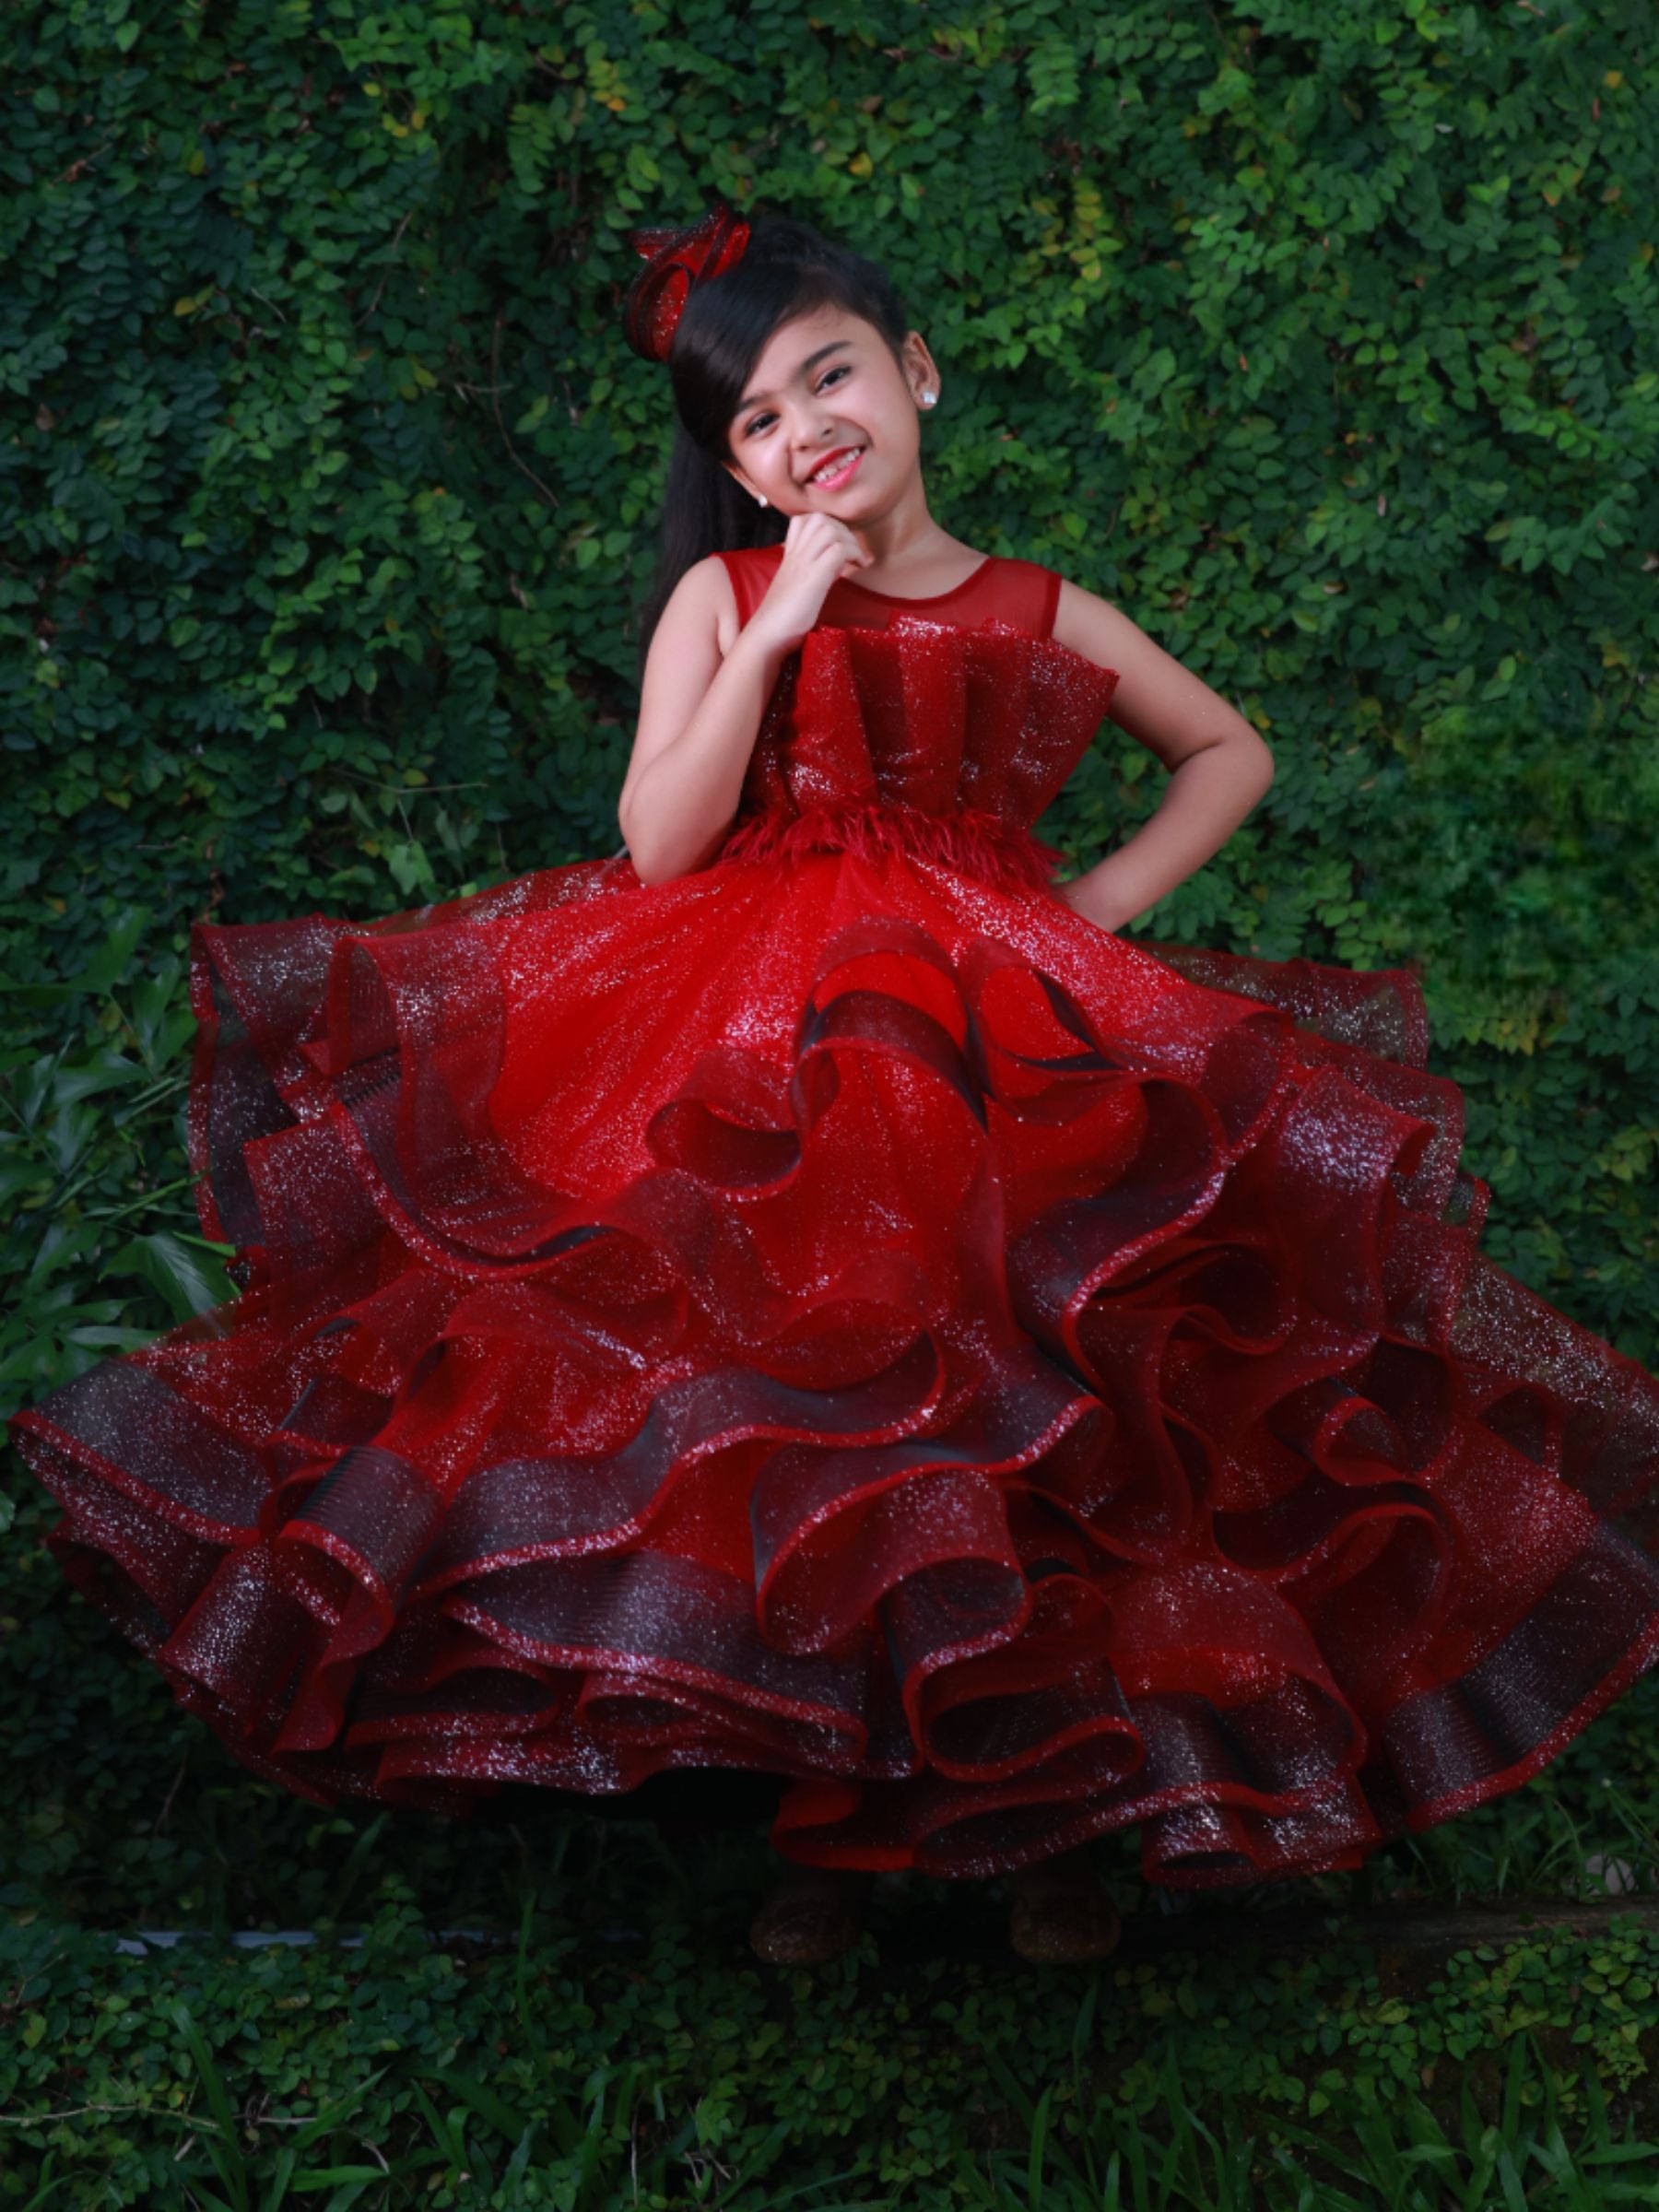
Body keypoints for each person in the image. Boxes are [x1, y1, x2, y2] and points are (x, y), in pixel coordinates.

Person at [10, 198, 1659, 1972]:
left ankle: (1050, 1824)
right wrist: (780, 620)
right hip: (772, 1040)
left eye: (831, 376)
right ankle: (833, 1834)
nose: (806, 429)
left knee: (1045, 1397)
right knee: (818, 1422)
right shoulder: (724, 598)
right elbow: (660, 841)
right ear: (735, 466)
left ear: (916, 373)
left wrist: (1088, 916)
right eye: (758, 419)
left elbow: (1227, 749)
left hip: (1009, 1046)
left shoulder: (1036, 605)